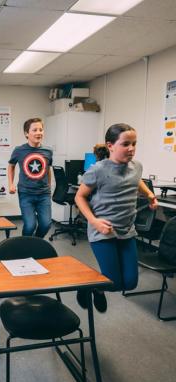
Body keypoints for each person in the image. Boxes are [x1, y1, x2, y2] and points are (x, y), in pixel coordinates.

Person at [75, 123, 158, 312]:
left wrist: (149, 195)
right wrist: (94, 221)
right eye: (125, 144)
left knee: (129, 283)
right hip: (103, 231)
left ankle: (95, 287)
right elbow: (79, 197)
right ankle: (90, 287)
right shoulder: (98, 170)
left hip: (127, 230)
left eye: (134, 144)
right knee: (113, 281)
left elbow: (136, 181)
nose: (131, 149)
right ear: (110, 145)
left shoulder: (137, 166)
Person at [8, 117, 52, 237]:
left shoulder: (48, 151)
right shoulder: (19, 150)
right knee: (30, 225)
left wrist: (49, 186)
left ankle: (35, 243)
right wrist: (11, 184)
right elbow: (11, 166)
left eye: (41, 130)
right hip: (26, 193)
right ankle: (26, 243)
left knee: (46, 224)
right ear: (27, 133)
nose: (39, 133)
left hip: (43, 194)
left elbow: (47, 169)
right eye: (35, 130)